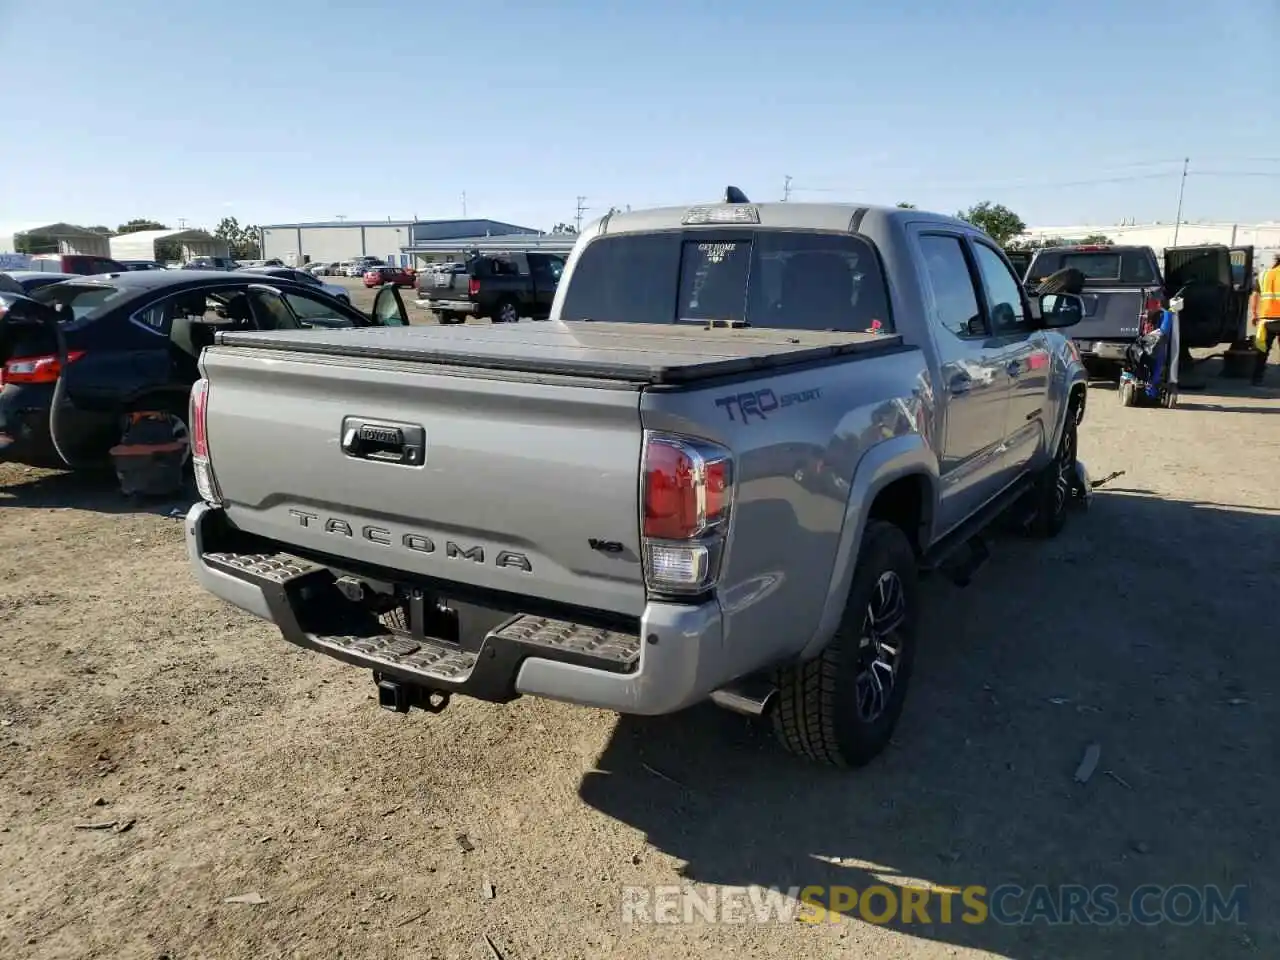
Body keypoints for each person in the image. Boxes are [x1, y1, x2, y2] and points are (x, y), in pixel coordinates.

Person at [1251, 254, 1280, 385]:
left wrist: (1254, 314)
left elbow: (1255, 295)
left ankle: (1257, 377)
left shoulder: (1264, 275)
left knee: (1262, 349)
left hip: (1266, 320)